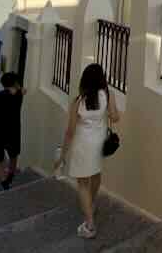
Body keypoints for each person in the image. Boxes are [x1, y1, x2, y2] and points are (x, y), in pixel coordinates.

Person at [55, 63, 120, 239]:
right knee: (96, 175)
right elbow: (115, 117)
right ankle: (91, 205)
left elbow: (70, 132)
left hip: (82, 146)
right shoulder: (108, 94)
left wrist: (62, 155)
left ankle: (90, 224)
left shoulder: (78, 102)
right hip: (99, 144)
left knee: (82, 183)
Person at [0, 72, 26, 190]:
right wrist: (17, 88)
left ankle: (4, 182)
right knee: (13, 155)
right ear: (15, 83)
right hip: (13, 129)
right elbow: (23, 89)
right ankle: (10, 175)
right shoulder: (20, 94)